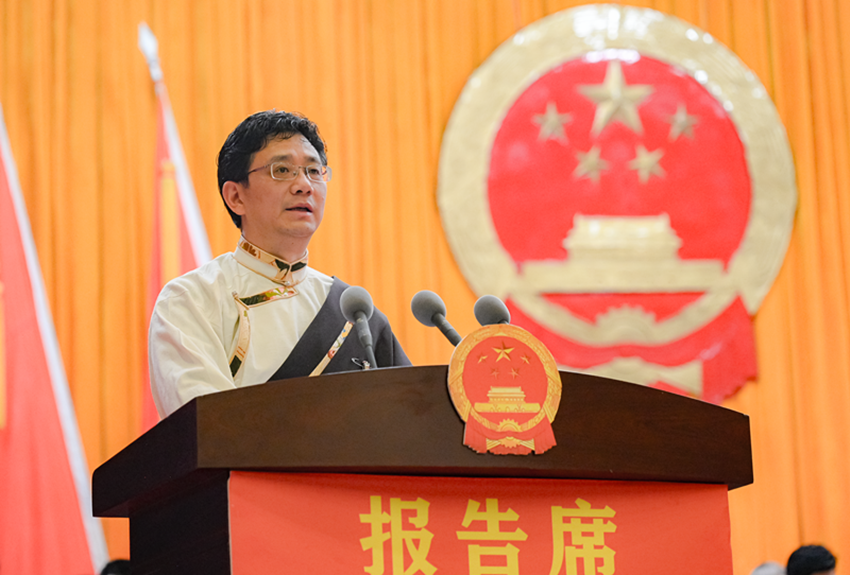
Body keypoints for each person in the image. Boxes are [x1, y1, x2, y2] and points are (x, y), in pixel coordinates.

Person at [149, 110, 410, 418]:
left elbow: (411, 422)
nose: (304, 185)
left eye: (314, 171)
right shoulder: (192, 300)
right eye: (282, 170)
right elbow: (210, 428)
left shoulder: (356, 314)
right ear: (236, 197)